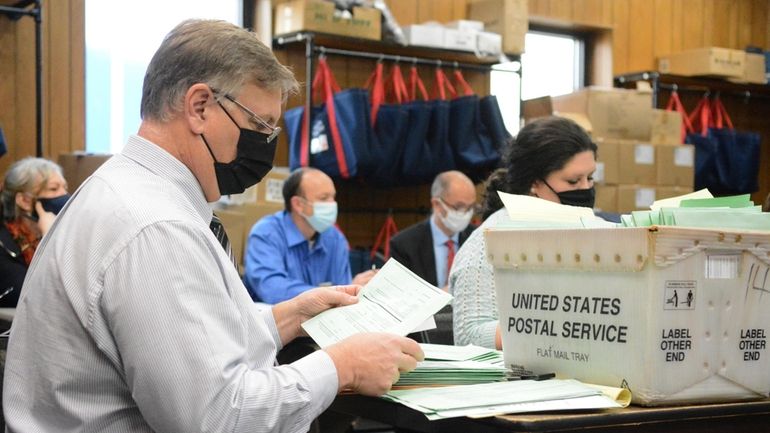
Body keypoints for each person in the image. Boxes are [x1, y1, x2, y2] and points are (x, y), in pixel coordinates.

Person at [3, 19, 422, 433]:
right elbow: (218, 416)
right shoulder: (156, 228)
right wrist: (342, 364)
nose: (265, 144)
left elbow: (191, 347)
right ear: (200, 107)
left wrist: (289, 316)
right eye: (259, 125)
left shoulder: (130, 193)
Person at [452, 116, 598, 349]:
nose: (585, 190)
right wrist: (560, 329)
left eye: (590, 178)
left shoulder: (595, 229)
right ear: (534, 184)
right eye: (573, 181)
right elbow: (470, 334)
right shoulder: (487, 243)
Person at [243, 167, 376, 304]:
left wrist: (349, 290)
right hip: (273, 322)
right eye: (324, 198)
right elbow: (273, 290)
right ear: (298, 204)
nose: (332, 204)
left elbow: (342, 298)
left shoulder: (335, 239)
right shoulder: (266, 233)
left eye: (333, 197)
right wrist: (338, 292)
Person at [389, 170, 477, 289]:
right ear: (436, 204)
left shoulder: (477, 238)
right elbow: (400, 294)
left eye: (470, 207)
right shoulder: (404, 245)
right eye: (459, 207)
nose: (466, 214)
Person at [0, 157, 69, 307]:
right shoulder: (4, 245)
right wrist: (49, 239)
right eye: (53, 189)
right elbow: (32, 298)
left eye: (65, 188)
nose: (64, 195)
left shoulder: (67, 231)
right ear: (24, 200)